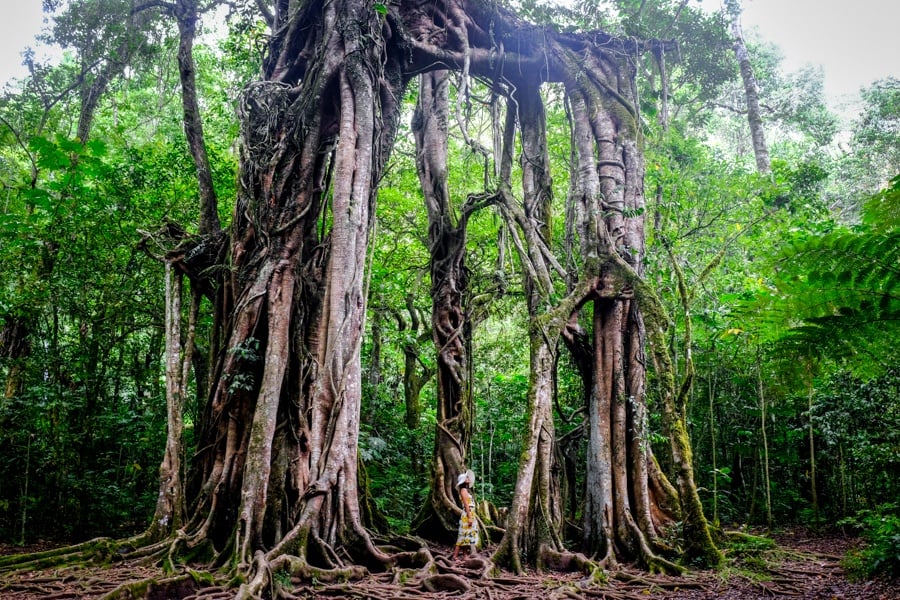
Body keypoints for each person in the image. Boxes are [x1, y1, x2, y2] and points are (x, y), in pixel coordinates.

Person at [452, 469, 479, 560]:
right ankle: (455, 556)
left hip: (470, 513)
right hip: (467, 515)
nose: (468, 478)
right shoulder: (463, 490)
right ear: (463, 480)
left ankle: (465, 556)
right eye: (467, 477)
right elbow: (466, 505)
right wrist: (470, 517)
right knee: (462, 535)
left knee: (467, 536)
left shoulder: (466, 490)